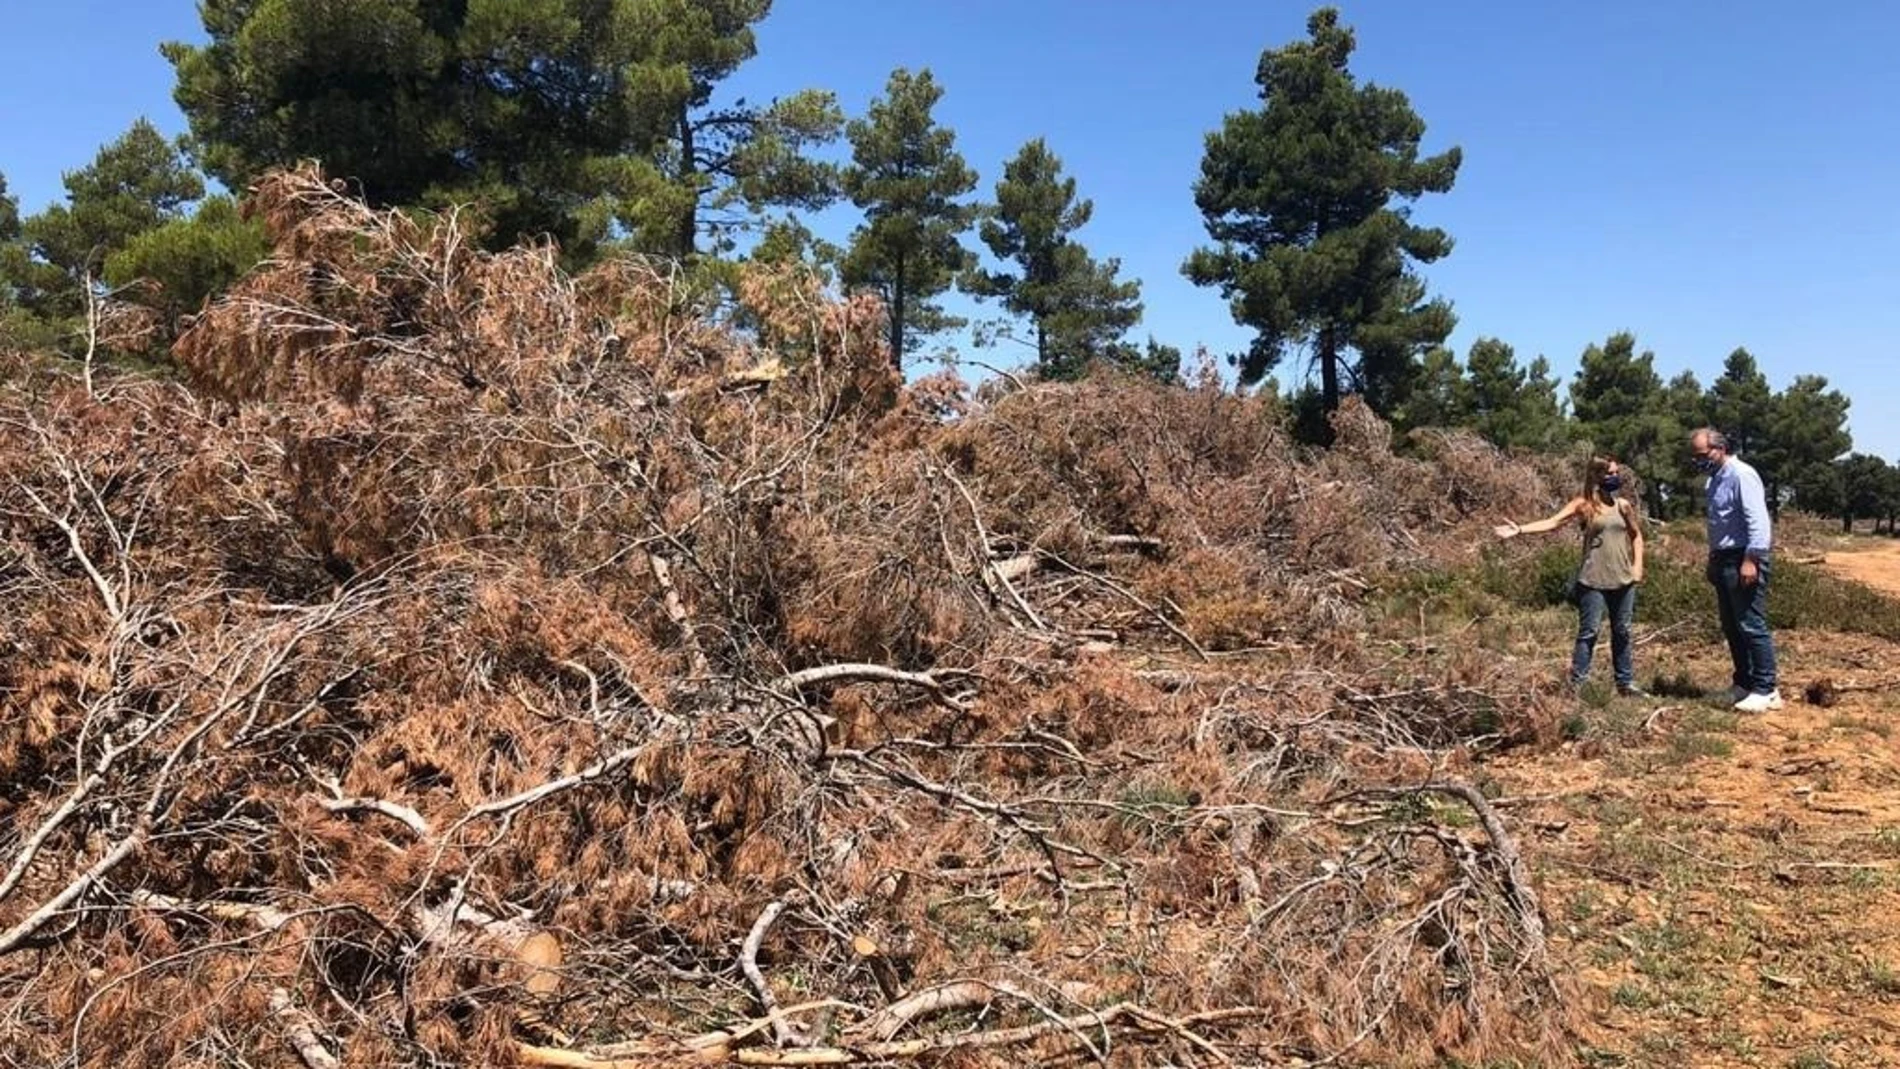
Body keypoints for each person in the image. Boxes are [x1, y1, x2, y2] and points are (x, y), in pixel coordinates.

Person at [1494, 455, 1646, 695]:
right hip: (1593, 579)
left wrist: (1638, 567)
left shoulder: (1623, 506)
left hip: (1623, 580)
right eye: (1609, 474)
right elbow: (1553, 522)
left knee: (1623, 631)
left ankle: (1625, 683)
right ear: (1596, 477)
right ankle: (1578, 684)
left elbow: (1636, 536)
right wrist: (1520, 529)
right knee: (1589, 632)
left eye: (1616, 473)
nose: (1614, 478)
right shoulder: (1584, 504)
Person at [1690, 428, 1781, 711]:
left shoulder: (1741, 474)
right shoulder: (1714, 481)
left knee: (1751, 624)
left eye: (1703, 455)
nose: (1699, 461)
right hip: (1723, 558)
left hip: (1743, 556)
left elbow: (1758, 522)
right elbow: (1720, 525)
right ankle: (1744, 683)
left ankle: (1766, 688)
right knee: (1732, 626)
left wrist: (1751, 559)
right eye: (1695, 457)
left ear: (1721, 448)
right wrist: (1712, 559)